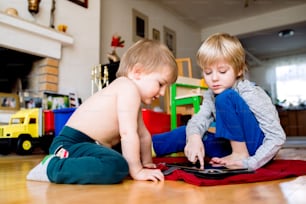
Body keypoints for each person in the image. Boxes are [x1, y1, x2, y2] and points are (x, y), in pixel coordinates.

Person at [27, 39, 178, 184]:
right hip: (71, 144)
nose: (163, 93)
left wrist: (147, 163)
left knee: (125, 157)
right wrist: (137, 170)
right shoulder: (127, 88)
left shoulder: (134, 97)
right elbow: (127, 134)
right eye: (161, 84)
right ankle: (52, 167)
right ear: (137, 72)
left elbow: (143, 135)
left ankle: (65, 165)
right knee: (116, 165)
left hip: (90, 145)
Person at [152, 33, 286, 171]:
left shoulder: (250, 93)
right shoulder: (210, 94)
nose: (214, 78)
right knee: (187, 132)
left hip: (256, 151)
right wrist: (194, 137)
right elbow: (199, 119)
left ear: (239, 70)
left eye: (222, 71)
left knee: (225, 97)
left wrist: (251, 163)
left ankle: (239, 154)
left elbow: (277, 136)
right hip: (229, 147)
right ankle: (142, 147)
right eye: (208, 72)